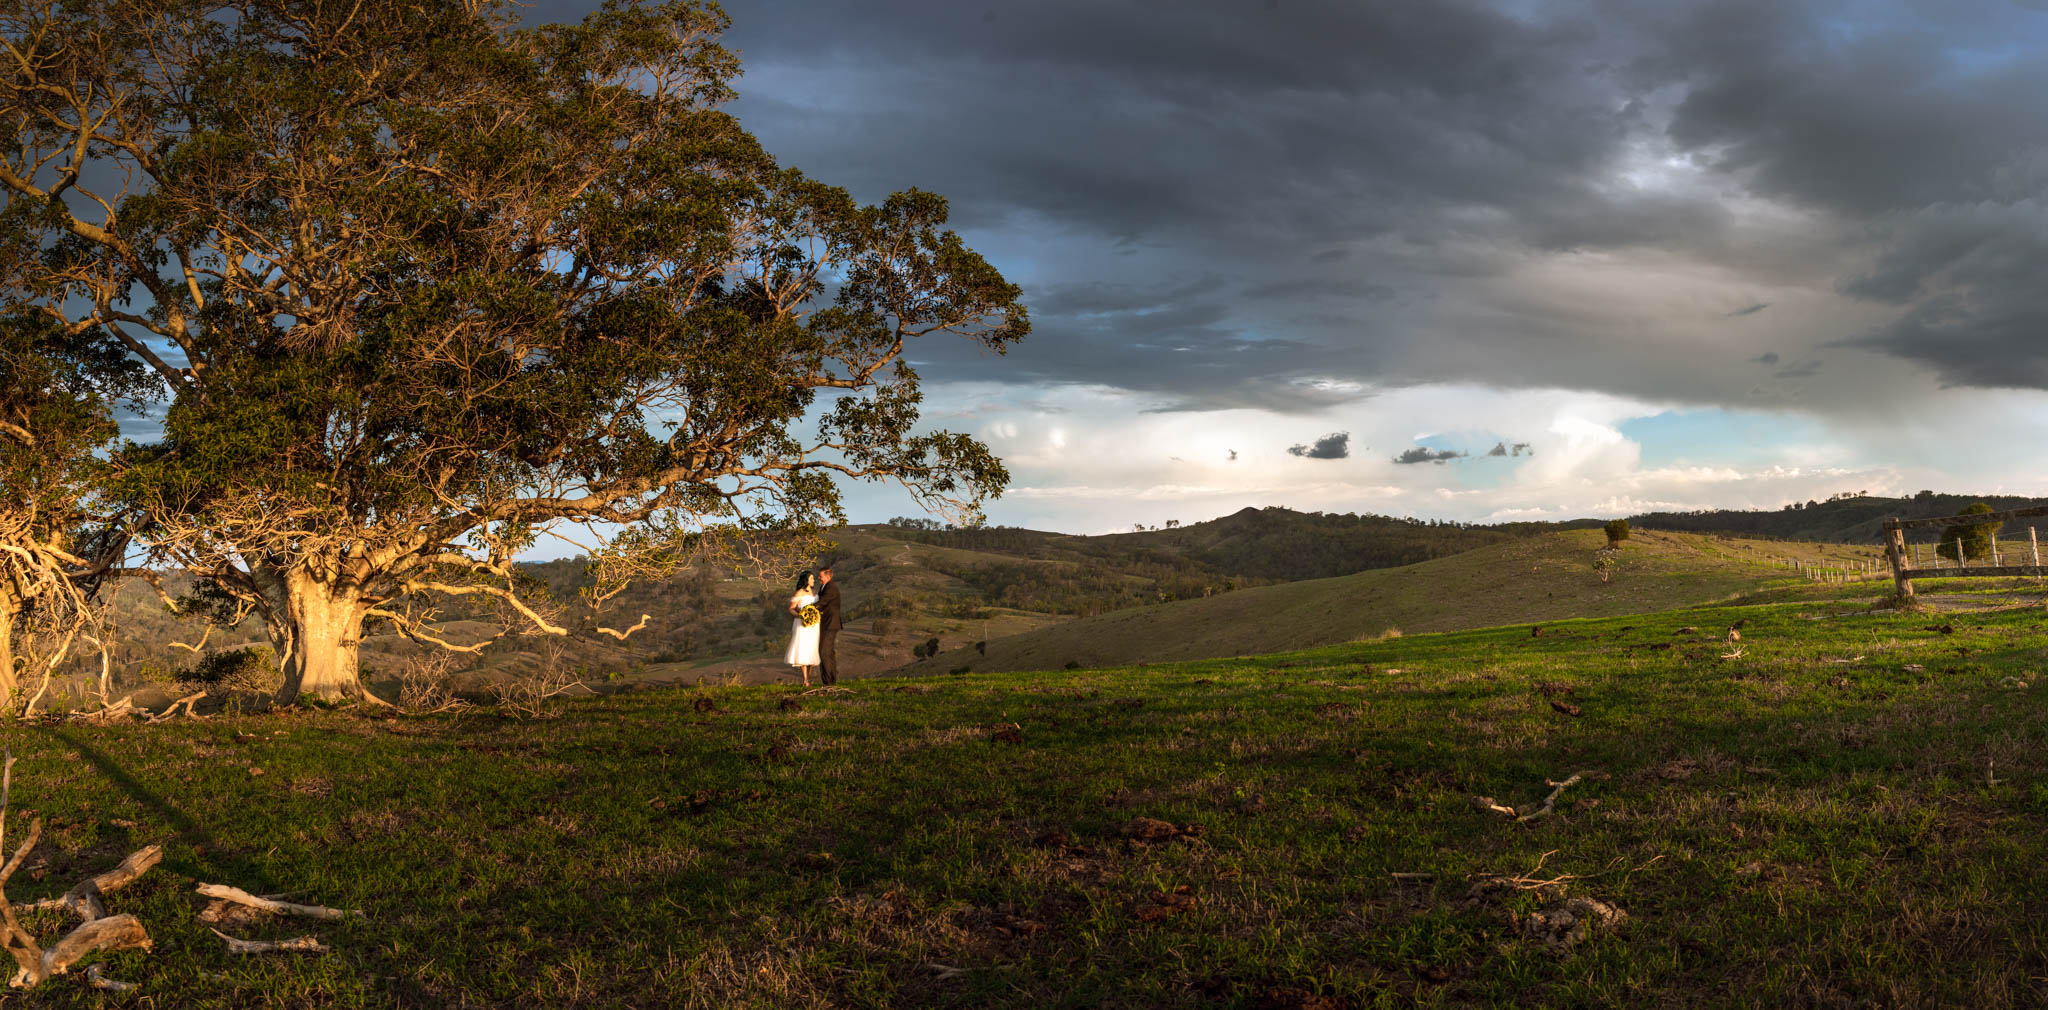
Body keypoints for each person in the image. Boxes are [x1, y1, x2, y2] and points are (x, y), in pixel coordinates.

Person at [783, 570, 821, 686]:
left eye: (813, 578)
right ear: (806, 580)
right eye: (811, 578)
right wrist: (801, 616)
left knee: (811, 649)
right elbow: (791, 608)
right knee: (803, 650)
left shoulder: (814, 592)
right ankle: (805, 680)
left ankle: (808, 678)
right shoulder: (799, 593)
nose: (813, 580)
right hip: (802, 625)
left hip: (814, 625)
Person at [814, 562, 843, 685]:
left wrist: (807, 610)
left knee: (824, 652)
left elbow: (822, 603)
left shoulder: (831, 588)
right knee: (828, 652)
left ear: (828, 577)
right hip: (826, 623)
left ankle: (828, 682)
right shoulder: (824, 587)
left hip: (830, 624)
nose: (818, 578)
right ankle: (830, 680)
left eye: (820, 576)